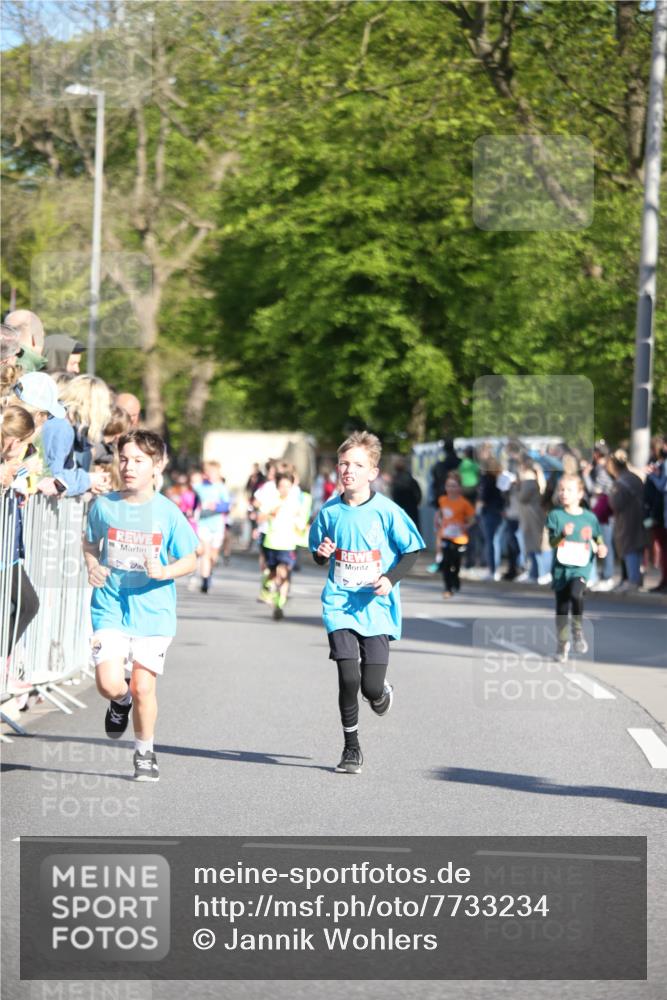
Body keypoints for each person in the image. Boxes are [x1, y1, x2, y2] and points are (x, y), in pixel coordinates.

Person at [82, 430, 198, 781]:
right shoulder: (104, 506)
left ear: (157, 465)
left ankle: (145, 752)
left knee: (143, 687)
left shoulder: (168, 512)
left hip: (154, 611)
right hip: (111, 605)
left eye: (138, 461)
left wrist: (165, 570)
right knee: (109, 684)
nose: (129, 467)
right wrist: (93, 565)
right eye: (124, 459)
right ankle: (119, 702)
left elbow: (190, 559)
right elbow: (89, 543)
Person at [309, 431, 424, 775]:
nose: (349, 470)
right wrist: (321, 554)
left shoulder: (387, 511)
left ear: (373, 472)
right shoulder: (329, 511)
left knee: (369, 686)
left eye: (358, 465)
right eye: (344, 463)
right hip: (340, 604)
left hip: (375, 608)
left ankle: (380, 692)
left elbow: (412, 550)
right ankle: (351, 748)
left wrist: (390, 578)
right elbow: (317, 552)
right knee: (347, 676)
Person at [546, 474, 606, 662]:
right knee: (562, 608)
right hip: (561, 568)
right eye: (561, 489)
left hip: (581, 566)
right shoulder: (555, 515)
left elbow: (597, 536)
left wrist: (602, 547)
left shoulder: (589, 517)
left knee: (576, 594)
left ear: (580, 493)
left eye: (568, 490)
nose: (563, 493)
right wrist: (563, 534)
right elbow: (552, 542)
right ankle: (562, 643)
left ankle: (577, 630)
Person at [258, 470, 307, 620]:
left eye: (287, 485)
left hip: (288, 544)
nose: (284, 488)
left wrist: (302, 527)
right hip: (272, 542)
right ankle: (266, 583)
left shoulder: (296, 503)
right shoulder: (272, 501)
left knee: (284, 572)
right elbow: (260, 518)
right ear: (277, 486)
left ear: (292, 486)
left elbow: (301, 523)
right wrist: (271, 513)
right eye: (281, 485)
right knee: (273, 573)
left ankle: (280, 602)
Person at [607, 451, 645, 591]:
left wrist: (610, 494)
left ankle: (633, 580)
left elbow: (616, 503)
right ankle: (635, 579)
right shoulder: (634, 477)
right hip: (639, 517)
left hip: (627, 520)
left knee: (629, 548)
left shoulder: (620, 481)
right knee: (637, 548)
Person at [193, 460, 231, 593]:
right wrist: (192, 512)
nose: (210, 475)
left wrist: (216, 506)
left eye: (213, 472)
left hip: (217, 524)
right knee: (206, 552)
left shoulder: (221, 488)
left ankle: (209, 573)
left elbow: (227, 505)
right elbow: (195, 502)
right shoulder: (199, 487)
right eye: (208, 472)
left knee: (213, 556)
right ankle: (205, 581)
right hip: (203, 523)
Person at [436, 472, 475, 598]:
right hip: (446, 536)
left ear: (459, 488)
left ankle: (456, 579)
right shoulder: (442, 500)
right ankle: (448, 588)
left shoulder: (464, 503)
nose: (451, 489)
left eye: (454, 486)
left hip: (460, 538)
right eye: (448, 486)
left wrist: (466, 526)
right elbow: (441, 514)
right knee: (446, 563)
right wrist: (438, 520)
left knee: (456, 563)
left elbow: (472, 519)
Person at [390, 458, 422, 531]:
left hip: (399, 508)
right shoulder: (411, 479)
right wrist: (416, 503)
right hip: (412, 507)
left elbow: (393, 495)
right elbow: (418, 494)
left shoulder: (395, 480)